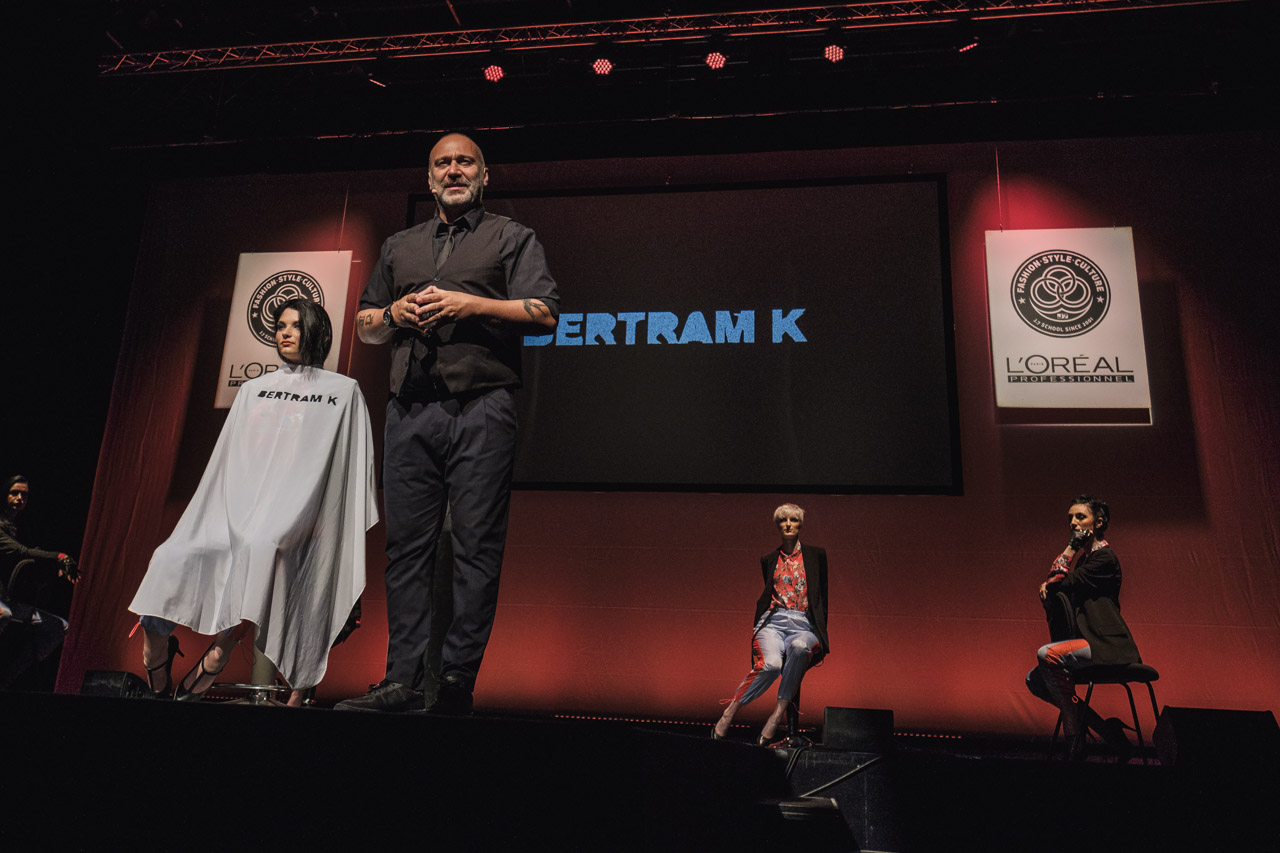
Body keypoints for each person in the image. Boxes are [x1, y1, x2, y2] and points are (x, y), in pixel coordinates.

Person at [338, 131, 559, 714]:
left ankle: (457, 681)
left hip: (482, 407)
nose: (453, 170)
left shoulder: (511, 237)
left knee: (475, 547)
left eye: (465, 162)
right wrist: (393, 312)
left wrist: (470, 304)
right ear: (429, 177)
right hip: (410, 410)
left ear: (485, 176)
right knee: (405, 550)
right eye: (443, 163)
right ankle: (402, 681)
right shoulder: (399, 245)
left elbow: (545, 313)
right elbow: (365, 325)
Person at [129, 299, 378, 701]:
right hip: (236, 510)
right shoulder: (252, 389)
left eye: (296, 325)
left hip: (297, 517)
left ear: (318, 332)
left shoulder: (343, 392)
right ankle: (155, 667)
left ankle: (219, 654)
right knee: (169, 558)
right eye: (280, 326)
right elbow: (228, 459)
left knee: (262, 550)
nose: (285, 333)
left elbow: (348, 470)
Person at [1026, 494, 1140, 758]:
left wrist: (1070, 547)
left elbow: (1058, 583)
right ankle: (1106, 731)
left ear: (1098, 522)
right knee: (1035, 680)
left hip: (1107, 645)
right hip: (1088, 641)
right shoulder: (1085, 561)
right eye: (1070, 518)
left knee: (1047, 654)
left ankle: (1074, 738)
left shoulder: (1104, 559)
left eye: (1080, 517)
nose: (1073, 523)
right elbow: (1057, 589)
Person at [712, 503, 830, 745]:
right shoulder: (769, 559)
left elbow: (822, 597)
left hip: (803, 624)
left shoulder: (816, 555)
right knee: (771, 664)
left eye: (793, 520)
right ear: (777, 525)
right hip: (774, 622)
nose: (788, 525)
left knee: (799, 647)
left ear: (801, 524)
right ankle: (730, 711)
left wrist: (821, 630)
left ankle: (776, 717)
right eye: (783, 520)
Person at [0, 475, 78, 690]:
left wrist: (52, 568)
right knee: (3, 614)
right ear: (4, 495)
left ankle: (5, 681)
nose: (19, 498)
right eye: (14, 493)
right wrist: (59, 557)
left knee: (58, 627)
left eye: (24, 495)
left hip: (7, 599)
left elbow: (31, 556)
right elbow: (21, 552)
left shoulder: (18, 526)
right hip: (2, 604)